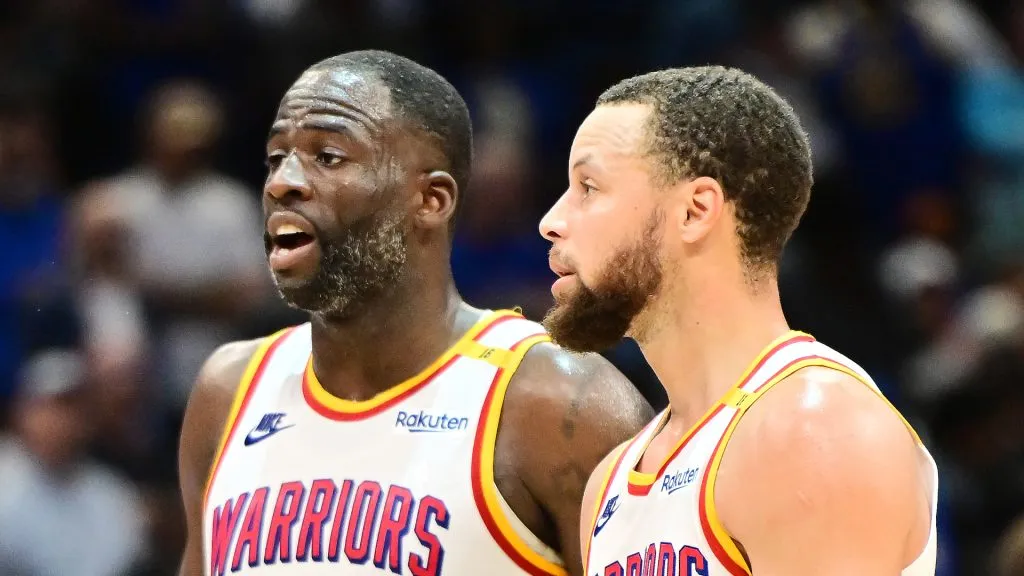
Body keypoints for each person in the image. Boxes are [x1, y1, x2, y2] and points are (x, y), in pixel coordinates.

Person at [176, 50, 653, 576]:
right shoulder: (227, 392)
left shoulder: (559, 404)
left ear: (430, 200)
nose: (282, 182)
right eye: (275, 158)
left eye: (328, 156)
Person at [539, 66, 938, 575]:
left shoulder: (812, 432)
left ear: (695, 211)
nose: (552, 220)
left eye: (588, 187)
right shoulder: (611, 482)